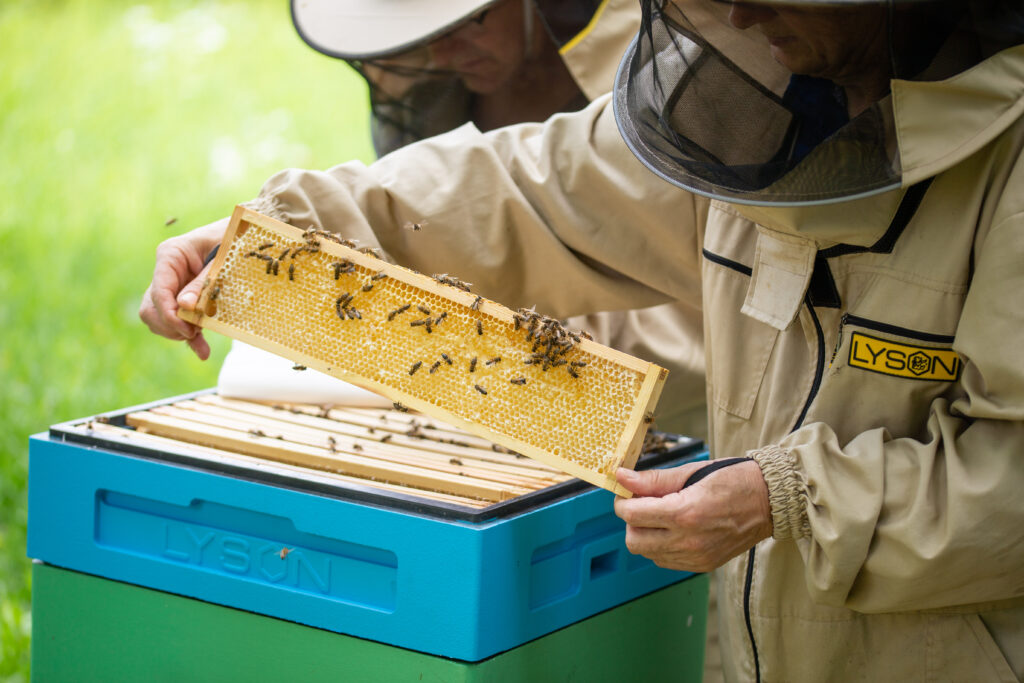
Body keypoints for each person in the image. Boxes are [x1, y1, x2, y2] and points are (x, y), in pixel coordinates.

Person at [141, 0, 1024, 679]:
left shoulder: (1008, 169)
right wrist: (277, 237)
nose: (741, 17)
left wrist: (783, 496)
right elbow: (529, 189)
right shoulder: (751, 98)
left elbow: (1011, 475)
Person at [287, 0, 709, 437]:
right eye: (426, 37)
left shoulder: (667, 67)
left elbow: (699, 291)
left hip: (682, 414)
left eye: (469, 21)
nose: (444, 54)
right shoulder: (431, 84)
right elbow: (423, 215)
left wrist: (521, 345)